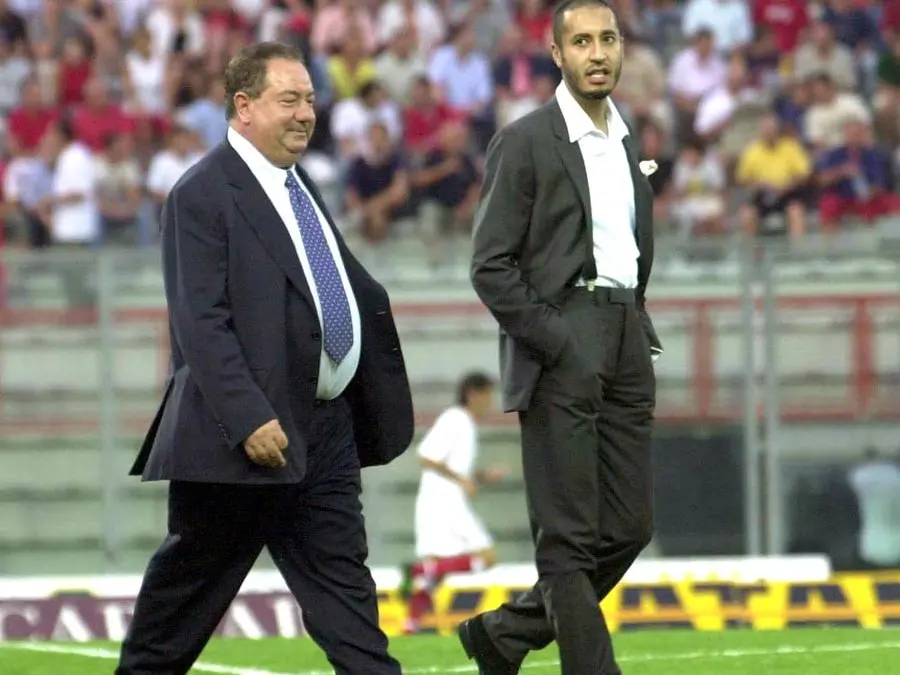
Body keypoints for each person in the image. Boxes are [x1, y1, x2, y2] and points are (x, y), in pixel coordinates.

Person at [115, 42, 414, 675]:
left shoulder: (300, 185)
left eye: (309, 99)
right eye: (289, 100)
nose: (306, 113)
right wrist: (249, 416)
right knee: (180, 608)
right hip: (243, 442)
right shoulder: (201, 192)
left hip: (324, 430)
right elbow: (200, 321)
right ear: (244, 106)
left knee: (348, 603)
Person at [462, 1, 661, 673]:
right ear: (556, 54)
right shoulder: (525, 140)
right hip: (564, 336)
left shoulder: (628, 139)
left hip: (626, 333)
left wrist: (631, 322)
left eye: (607, 39)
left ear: (622, 47)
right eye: (581, 42)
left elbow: (629, 246)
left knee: (630, 527)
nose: (597, 53)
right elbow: (489, 264)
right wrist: (555, 338)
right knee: (568, 539)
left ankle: (505, 634)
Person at [401, 371, 506, 634]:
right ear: (473, 394)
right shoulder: (455, 419)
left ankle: (410, 624)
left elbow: (455, 466)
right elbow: (426, 455)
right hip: (445, 502)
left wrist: (482, 476)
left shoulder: (465, 423)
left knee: (437, 569)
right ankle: (420, 571)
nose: (490, 402)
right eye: (487, 395)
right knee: (487, 556)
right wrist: (462, 481)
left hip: (443, 500)